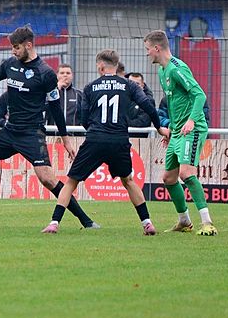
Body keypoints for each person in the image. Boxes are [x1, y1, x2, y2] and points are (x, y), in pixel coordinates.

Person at [0, 26, 98, 229]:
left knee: (47, 179)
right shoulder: (10, 64)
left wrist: (65, 139)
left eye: (16, 47)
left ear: (28, 45)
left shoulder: (45, 73)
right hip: (10, 131)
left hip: (32, 134)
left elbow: (56, 107)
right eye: (12, 47)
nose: (13, 51)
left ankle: (86, 221)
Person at [43, 50, 169, 235]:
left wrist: (93, 129)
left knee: (71, 182)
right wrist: (159, 128)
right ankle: (147, 223)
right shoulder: (129, 85)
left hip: (95, 139)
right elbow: (149, 106)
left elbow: (83, 117)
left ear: (101, 66)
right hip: (119, 140)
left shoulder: (90, 87)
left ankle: (54, 223)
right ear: (116, 65)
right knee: (128, 180)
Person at [144, 30, 217, 236]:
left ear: (157, 48)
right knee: (168, 178)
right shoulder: (162, 71)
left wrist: (192, 120)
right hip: (177, 131)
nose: (147, 53)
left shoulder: (177, 69)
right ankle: (184, 221)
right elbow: (175, 103)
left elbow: (199, 95)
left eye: (148, 49)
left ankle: (207, 223)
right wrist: (172, 130)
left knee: (186, 173)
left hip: (192, 129)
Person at [45, 63, 84, 133]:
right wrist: (56, 88)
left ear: (72, 76)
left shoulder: (79, 94)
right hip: (53, 135)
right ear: (57, 75)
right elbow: (44, 107)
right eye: (62, 73)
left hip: (74, 135)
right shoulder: (49, 93)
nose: (65, 75)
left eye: (68, 73)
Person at [125, 72, 156, 138]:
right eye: (131, 83)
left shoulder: (148, 101)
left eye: (137, 84)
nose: (133, 86)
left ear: (142, 85)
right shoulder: (121, 98)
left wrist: (122, 123)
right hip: (121, 137)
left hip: (139, 139)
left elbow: (143, 122)